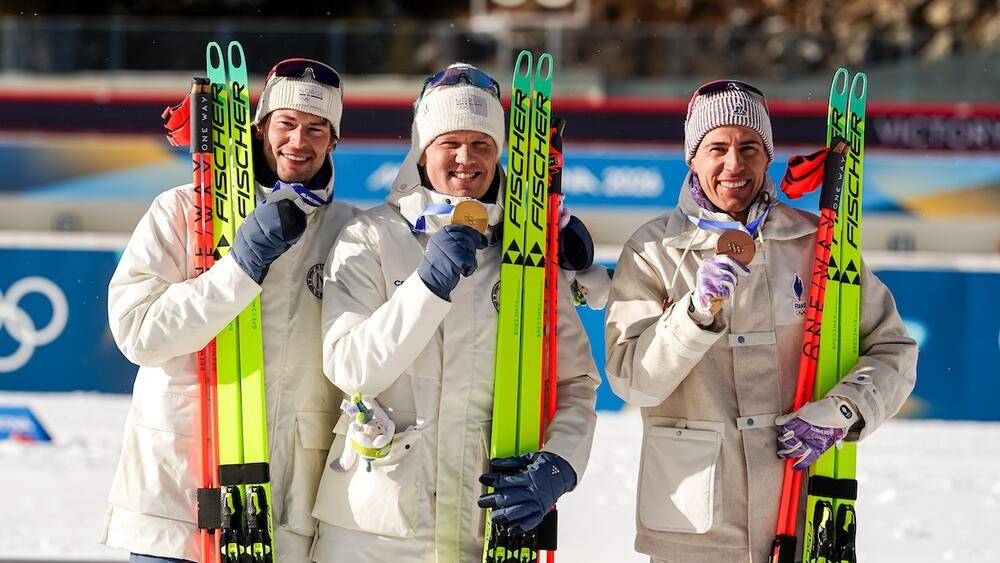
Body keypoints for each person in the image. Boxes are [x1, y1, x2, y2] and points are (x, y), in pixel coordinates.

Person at [603, 80, 918, 562]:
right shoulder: (652, 252)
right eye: (717, 148)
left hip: (801, 515)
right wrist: (693, 313)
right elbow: (633, 382)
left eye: (749, 147)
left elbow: (893, 348)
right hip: (695, 529)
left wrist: (843, 409)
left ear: (768, 156)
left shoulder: (816, 243)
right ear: (692, 158)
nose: (734, 164)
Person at [310, 63, 600, 563]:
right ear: (422, 150)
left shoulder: (528, 251)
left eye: (482, 143)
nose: (466, 158)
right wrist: (427, 287)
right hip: (371, 534)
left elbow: (574, 382)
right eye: (450, 143)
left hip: (487, 524)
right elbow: (351, 369)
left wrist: (561, 462)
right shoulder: (370, 237)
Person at [103, 58, 359, 563]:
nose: (299, 141)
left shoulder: (352, 232)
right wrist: (239, 268)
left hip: (280, 511)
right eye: (286, 123)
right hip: (176, 501)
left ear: (333, 141)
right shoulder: (181, 209)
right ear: (260, 127)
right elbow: (138, 334)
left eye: (316, 129)